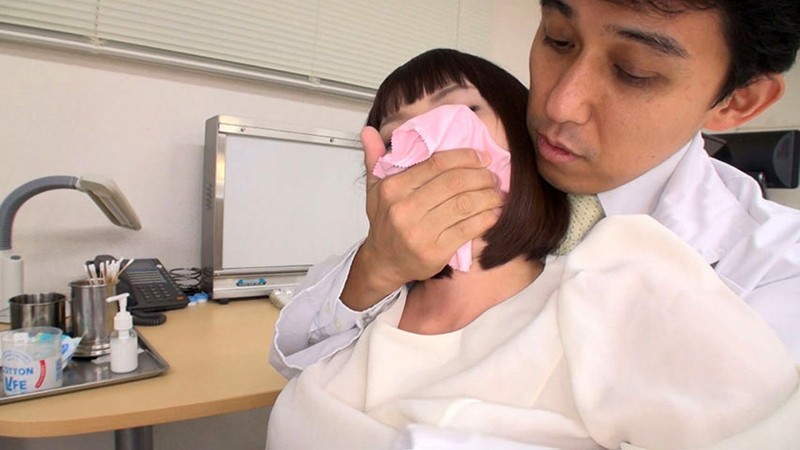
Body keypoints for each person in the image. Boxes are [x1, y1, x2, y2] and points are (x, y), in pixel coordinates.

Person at [266, 49, 800, 449]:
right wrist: (378, 265)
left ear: (524, 145)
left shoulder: (607, 290)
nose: (423, 137)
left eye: (462, 109)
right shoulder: (360, 293)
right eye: (394, 133)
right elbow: (291, 347)